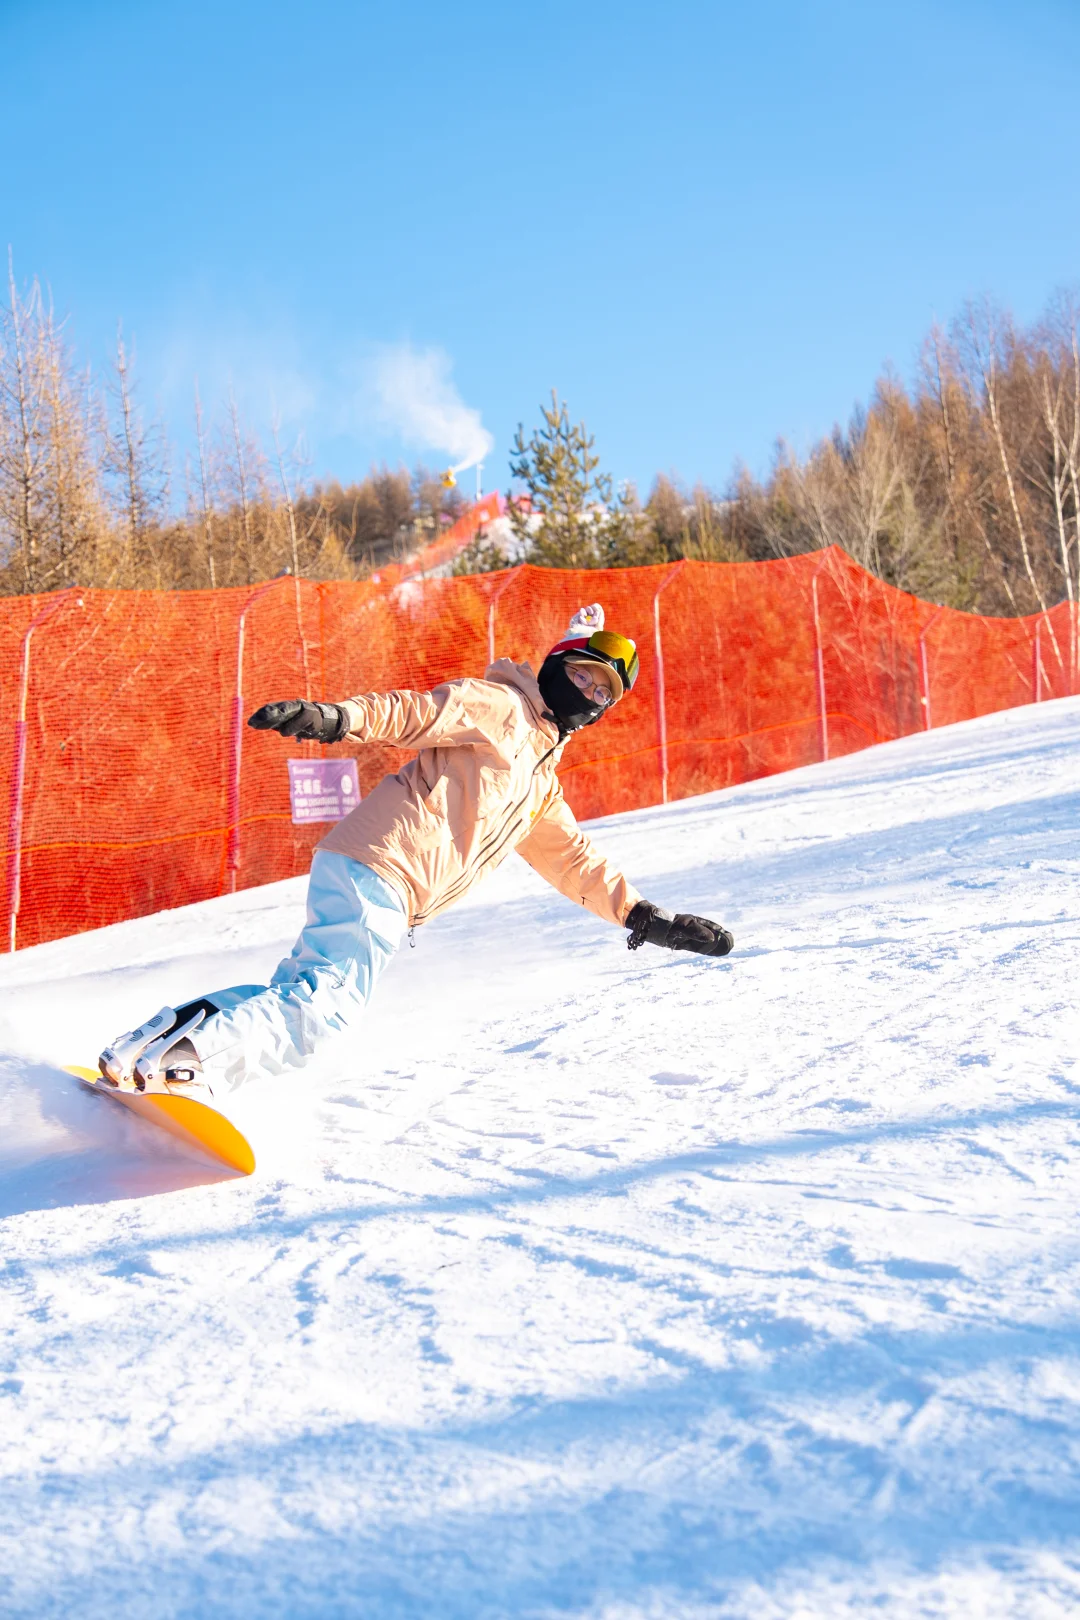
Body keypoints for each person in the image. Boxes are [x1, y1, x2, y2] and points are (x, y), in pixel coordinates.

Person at [97, 604, 734, 1098]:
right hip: (383, 867)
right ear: (554, 663)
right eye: (581, 674)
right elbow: (416, 712)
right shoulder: (503, 707)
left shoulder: (539, 781)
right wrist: (337, 718)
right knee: (325, 1011)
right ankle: (189, 1067)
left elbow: (573, 860)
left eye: (603, 693)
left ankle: (155, 1043)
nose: (589, 693)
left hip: (372, 875)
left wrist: (645, 918)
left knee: (300, 990)